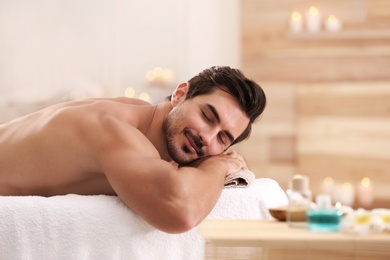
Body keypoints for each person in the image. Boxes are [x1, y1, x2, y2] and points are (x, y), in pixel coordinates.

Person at [0, 66, 266, 233]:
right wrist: (219, 165)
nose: (206, 138)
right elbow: (180, 211)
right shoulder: (113, 129)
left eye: (222, 138)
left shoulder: (140, 118)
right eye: (207, 116)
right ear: (180, 93)